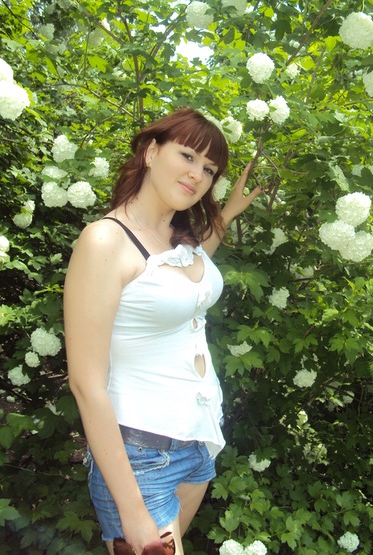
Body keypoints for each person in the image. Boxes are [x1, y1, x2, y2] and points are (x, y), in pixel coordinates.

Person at [64, 107, 262, 555]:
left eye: (209, 169)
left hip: (198, 443)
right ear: (152, 152)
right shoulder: (105, 241)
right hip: (140, 458)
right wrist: (131, 510)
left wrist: (228, 211)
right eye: (188, 156)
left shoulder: (177, 239)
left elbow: (185, 279)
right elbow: (86, 384)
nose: (197, 175)